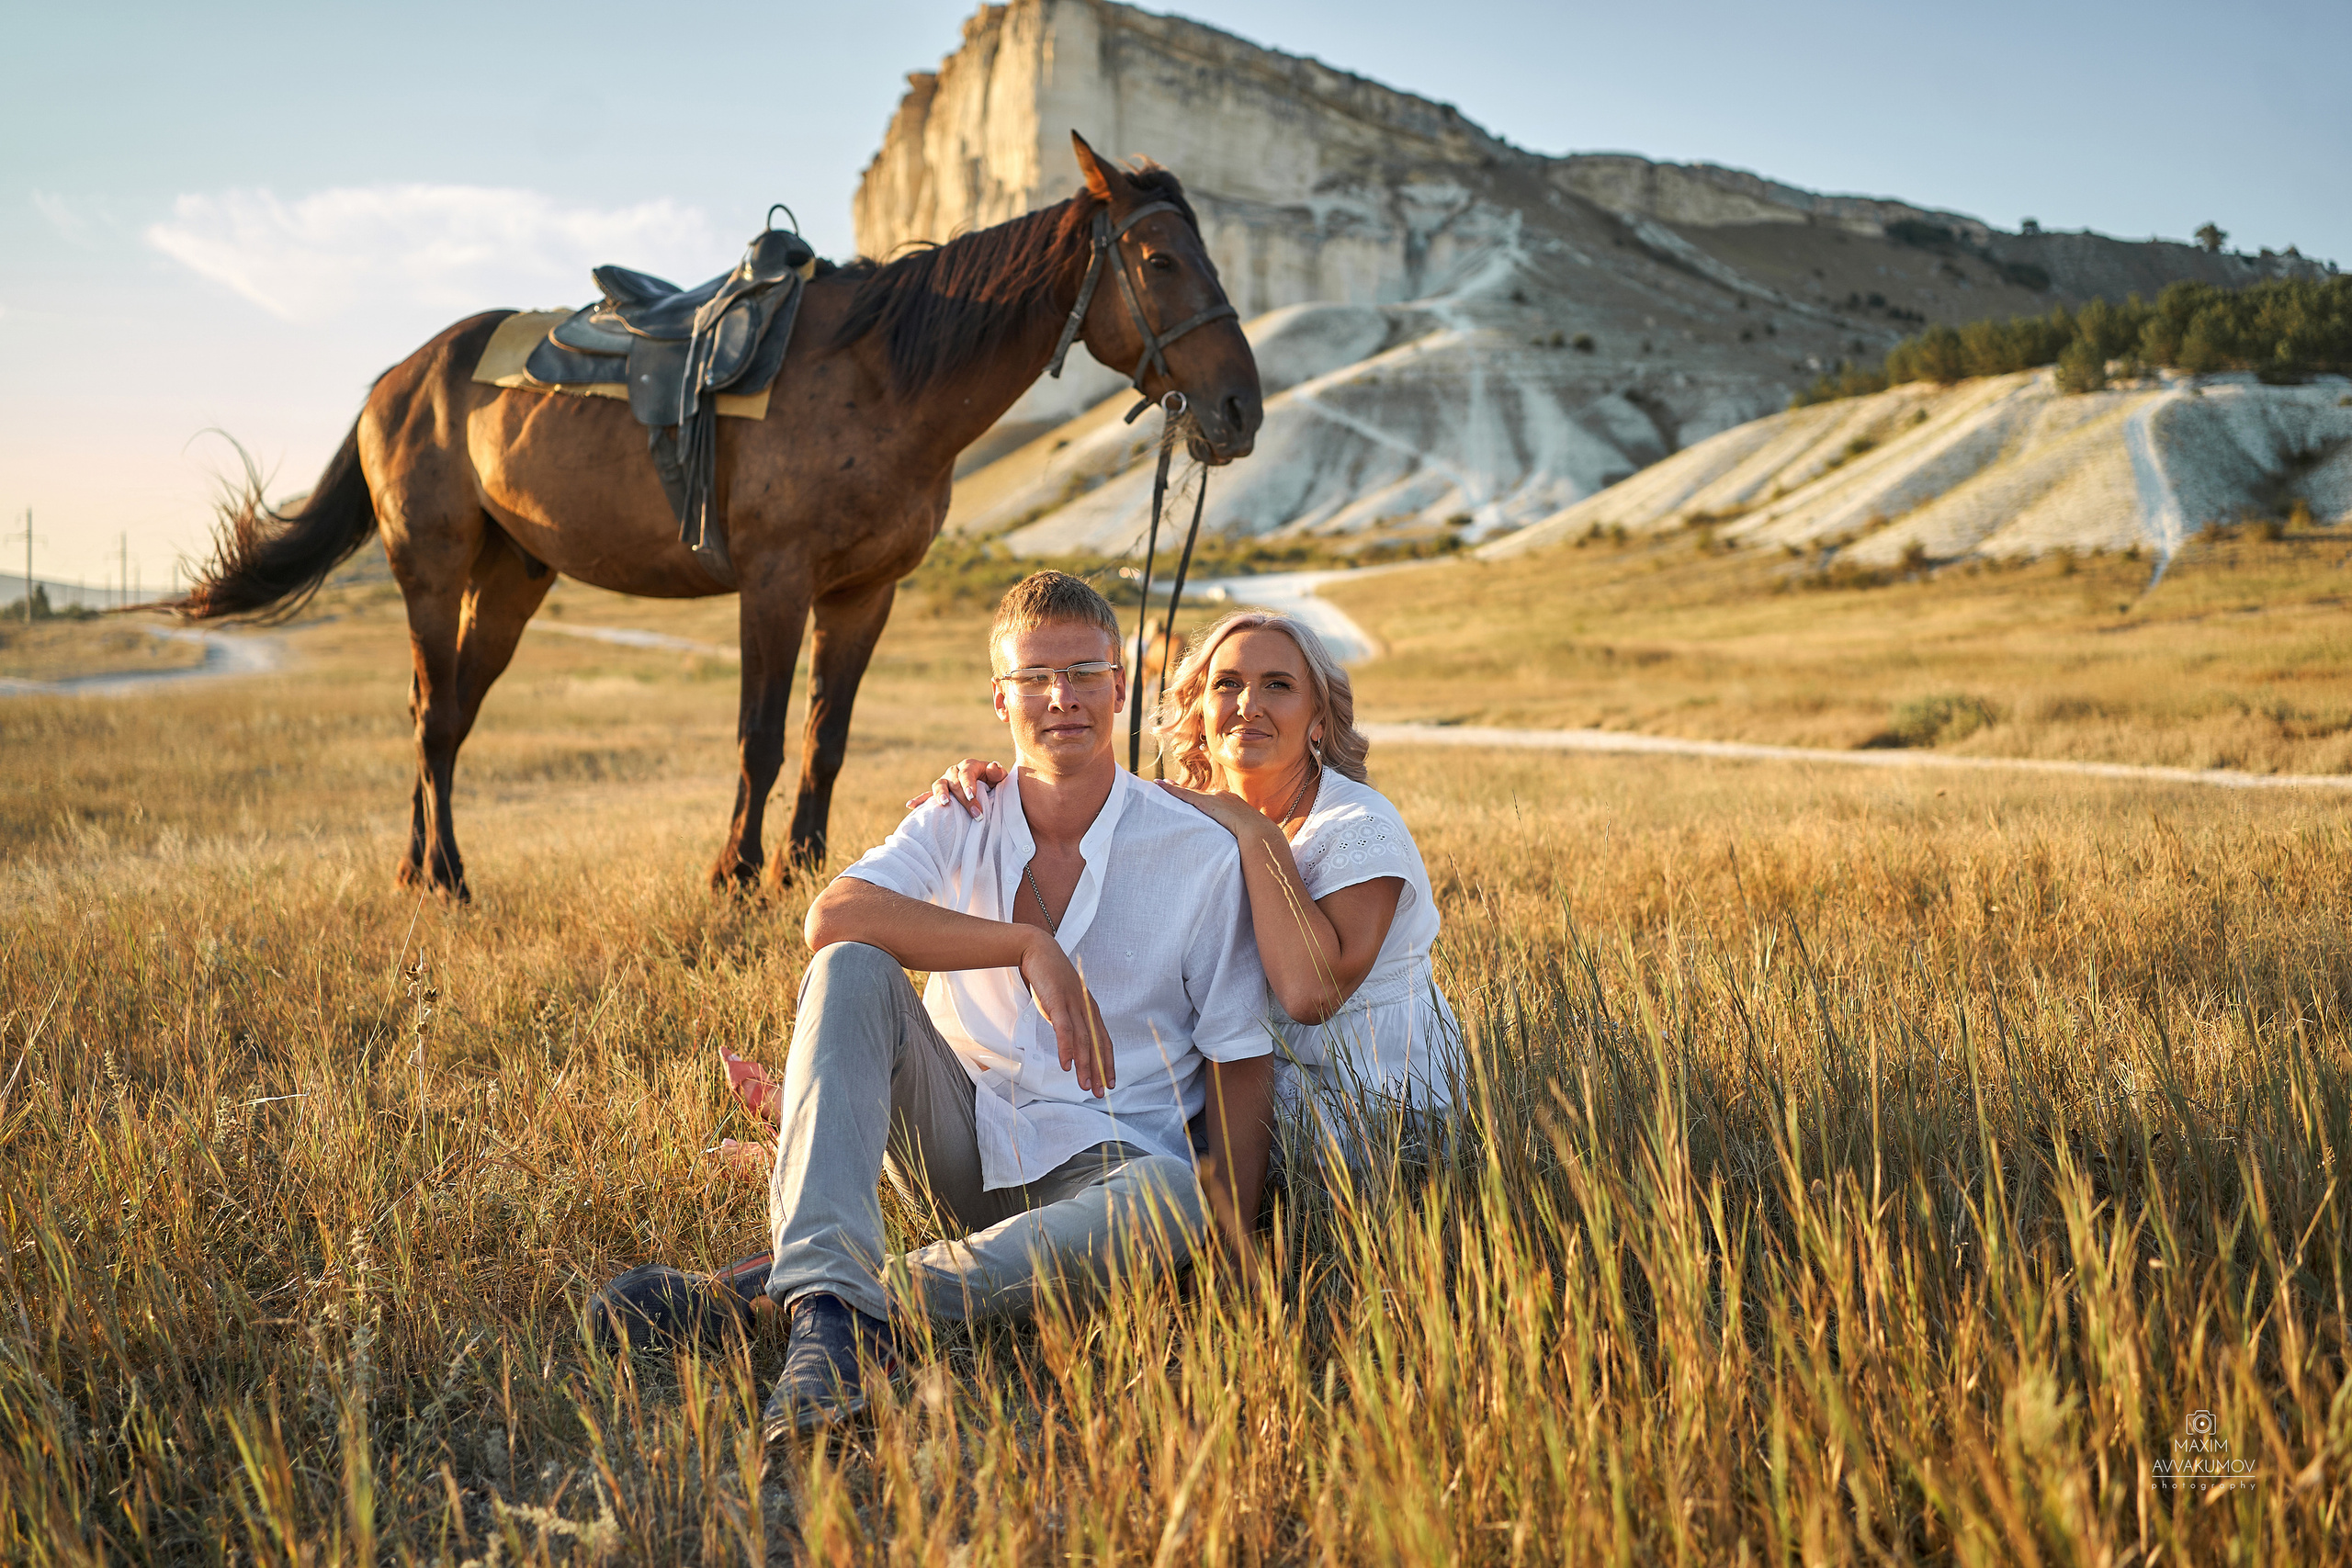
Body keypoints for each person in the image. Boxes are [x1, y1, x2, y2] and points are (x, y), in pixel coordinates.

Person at [731, 571, 1276, 1439]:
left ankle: (803, 1306)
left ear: (1121, 684)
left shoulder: (1198, 853)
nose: (1061, 698)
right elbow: (830, 915)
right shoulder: (963, 812)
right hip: (957, 1138)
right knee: (851, 966)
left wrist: (1237, 1252)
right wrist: (1026, 944)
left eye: (1085, 672)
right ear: (1000, 697)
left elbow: (1239, 1052)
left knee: (1175, 1199)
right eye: (1033, 678)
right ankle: (831, 1304)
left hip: (1108, 1169)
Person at [915, 608, 1459, 1166]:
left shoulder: (1357, 827)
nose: (1249, 704)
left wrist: (1257, 835)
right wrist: (999, 783)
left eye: (1278, 685)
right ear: (1199, 708)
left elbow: (1308, 995)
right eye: (1228, 685)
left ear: (1318, 717)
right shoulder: (1186, 810)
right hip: (1239, 1102)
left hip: (1374, 1110)